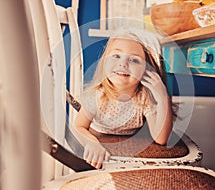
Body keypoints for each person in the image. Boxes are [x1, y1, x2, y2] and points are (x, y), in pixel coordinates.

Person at [70, 28, 176, 169]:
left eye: (134, 60)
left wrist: (163, 97)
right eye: (116, 56)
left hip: (130, 144)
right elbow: (79, 126)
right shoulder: (97, 96)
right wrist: (92, 143)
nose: (123, 64)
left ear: (147, 70)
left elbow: (161, 138)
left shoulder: (142, 98)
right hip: (99, 140)